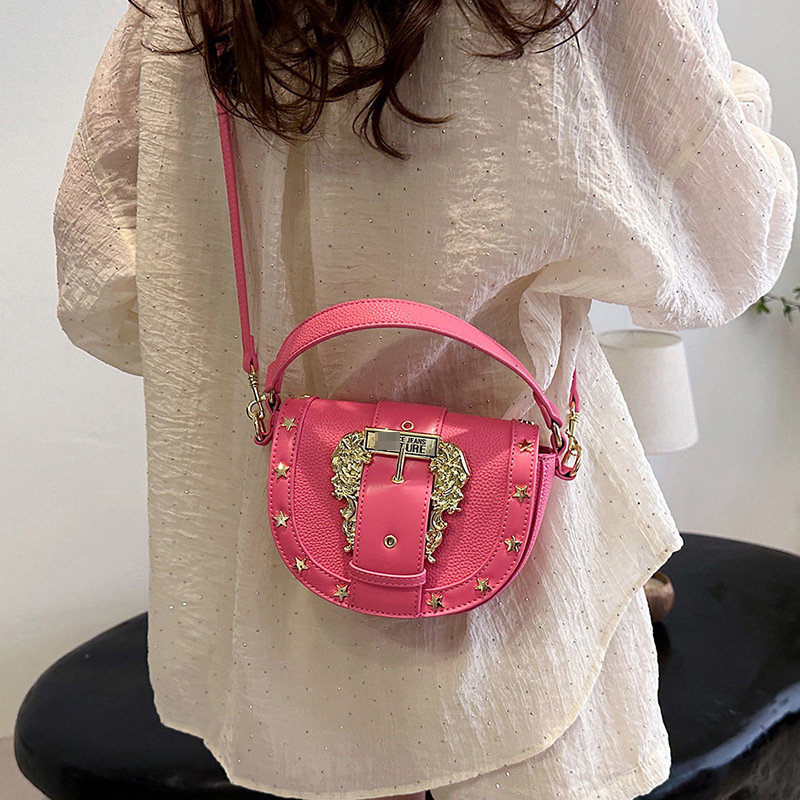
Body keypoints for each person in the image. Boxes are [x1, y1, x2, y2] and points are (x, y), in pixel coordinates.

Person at [54, 0, 797, 797]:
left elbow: (106, 287)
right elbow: (732, 239)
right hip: (530, 601)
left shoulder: (184, 14)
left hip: (290, 619)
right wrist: (725, 84)